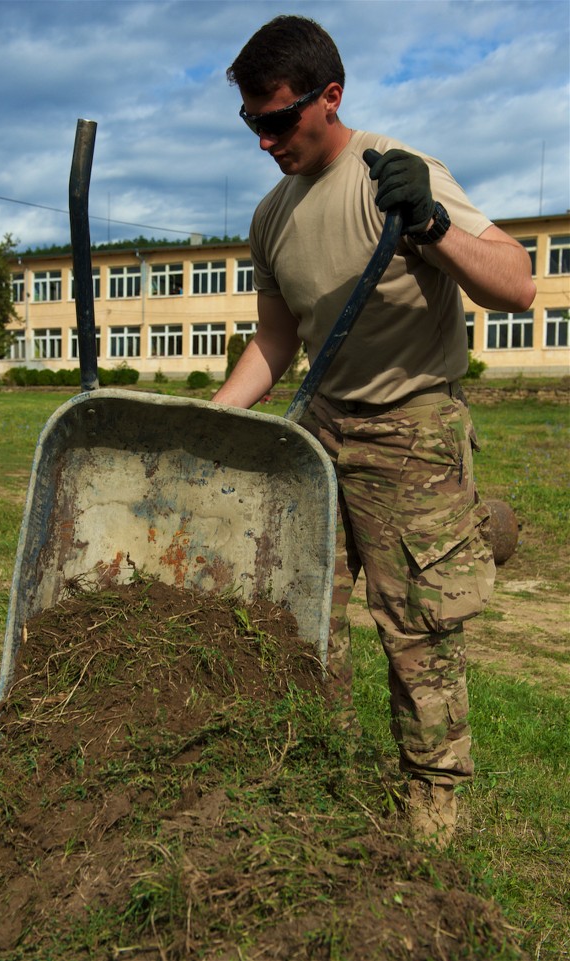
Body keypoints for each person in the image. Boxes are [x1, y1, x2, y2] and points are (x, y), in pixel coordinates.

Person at [213, 15, 535, 848]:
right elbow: (277, 339)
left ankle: (433, 802)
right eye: (252, 123)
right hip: (321, 427)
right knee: (298, 609)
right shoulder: (271, 214)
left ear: (331, 97)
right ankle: (314, 763)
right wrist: (213, 422)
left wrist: (430, 225)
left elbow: (518, 284)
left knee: (419, 626)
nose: (264, 140)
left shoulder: (395, 174)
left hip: (410, 431)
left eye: (277, 119)